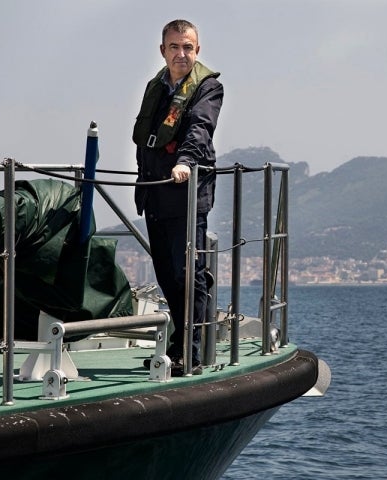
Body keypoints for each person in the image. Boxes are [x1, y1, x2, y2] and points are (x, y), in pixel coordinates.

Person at [133, 19, 223, 375]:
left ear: (197, 50)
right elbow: (148, 138)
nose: (181, 54)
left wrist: (185, 162)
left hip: (187, 193)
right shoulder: (156, 87)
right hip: (155, 194)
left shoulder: (208, 88)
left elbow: (200, 128)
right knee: (167, 275)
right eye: (174, 47)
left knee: (189, 273)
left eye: (187, 47)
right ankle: (175, 345)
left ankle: (192, 352)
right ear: (163, 51)